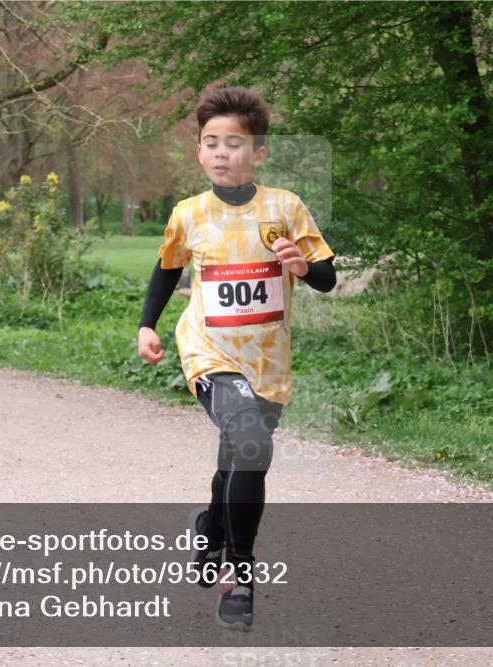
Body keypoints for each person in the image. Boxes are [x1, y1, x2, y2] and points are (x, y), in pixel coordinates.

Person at [137, 87, 336, 630]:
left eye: (233, 143)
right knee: (249, 440)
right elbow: (167, 269)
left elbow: (327, 277)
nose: (220, 153)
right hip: (209, 349)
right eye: (210, 143)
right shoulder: (189, 214)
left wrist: (300, 267)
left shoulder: (285, 207)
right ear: (200, 152)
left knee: (240, 453)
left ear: (259, 153)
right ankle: (240, 576)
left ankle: (212, 529)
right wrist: (146, 325)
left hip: (267, 362)